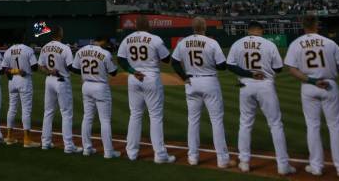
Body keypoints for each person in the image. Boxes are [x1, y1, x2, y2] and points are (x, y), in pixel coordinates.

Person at [284, 15, 339, 178]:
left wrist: (312, 80)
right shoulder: (330, 43)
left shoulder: (296, 43)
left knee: (313, 126)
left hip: (309, 86)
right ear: (317, 25)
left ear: (303, 26)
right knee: (335, 127)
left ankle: (316, 166)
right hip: (329, 85)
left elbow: (292, 70)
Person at [227, 21, 295, 175]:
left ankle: (244, 162)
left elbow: (230, 65)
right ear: (261, 31)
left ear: (249, 30)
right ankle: (283, 165)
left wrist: (248, 73)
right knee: (275, 124)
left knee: (245, 123)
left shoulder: (238, 43)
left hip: (245, 86)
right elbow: (278, 68)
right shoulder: (268, 44)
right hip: (265, 85)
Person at [171, 17, 233, 168]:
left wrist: (184, 77)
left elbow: (174, 62)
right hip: (209, 81)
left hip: (191, 82)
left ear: (193, 27)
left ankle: (192, 157)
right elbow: (222, 66)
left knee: (193, 121)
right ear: (204, 27)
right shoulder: (211, 42)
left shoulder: (183, 42)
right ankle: (222, 160)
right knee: (216, 121)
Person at [116, 15, 175, 163]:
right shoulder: (155, 39)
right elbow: (167, 59)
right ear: (148, 25)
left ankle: (131, 153)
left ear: (136, 26)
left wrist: (132, 70)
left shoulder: (127, 39)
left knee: (135, 115)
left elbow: (120, 59)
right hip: (151, 78)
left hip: (134, 77)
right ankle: (160, 155)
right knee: (155, 116)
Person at [71, 35, 119, 159]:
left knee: (87, 117)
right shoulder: (105, 53)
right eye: (106, 43)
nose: (107, 45)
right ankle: (108, 152)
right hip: (100, 87)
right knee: (105, 120)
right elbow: (114, 72)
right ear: (102, 41)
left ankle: (87, 149)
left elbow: (75, 69)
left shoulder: (81, 50)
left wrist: (85, 73)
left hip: (86, 86)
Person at [38, 25, 81, 154]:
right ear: (60, 34)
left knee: (48, 112)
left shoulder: (45, 47)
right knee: (66, 113)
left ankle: (45, 142)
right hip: (62, 81)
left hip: (49, 80)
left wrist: (50, 71)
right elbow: (70, 67)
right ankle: (68, 145)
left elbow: (40, 66)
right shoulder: (65, 48)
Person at [1, 33, 40, 148]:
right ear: (23, 38)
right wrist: (22, 69)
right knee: (26, 110)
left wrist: (15, 71)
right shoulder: (27, 50)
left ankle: (9, 137)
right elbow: (34, 68)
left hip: (12, 80)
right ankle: (27, 140)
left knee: (12, 108)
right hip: (24, 80)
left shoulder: (8, 51)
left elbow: (4, 68)